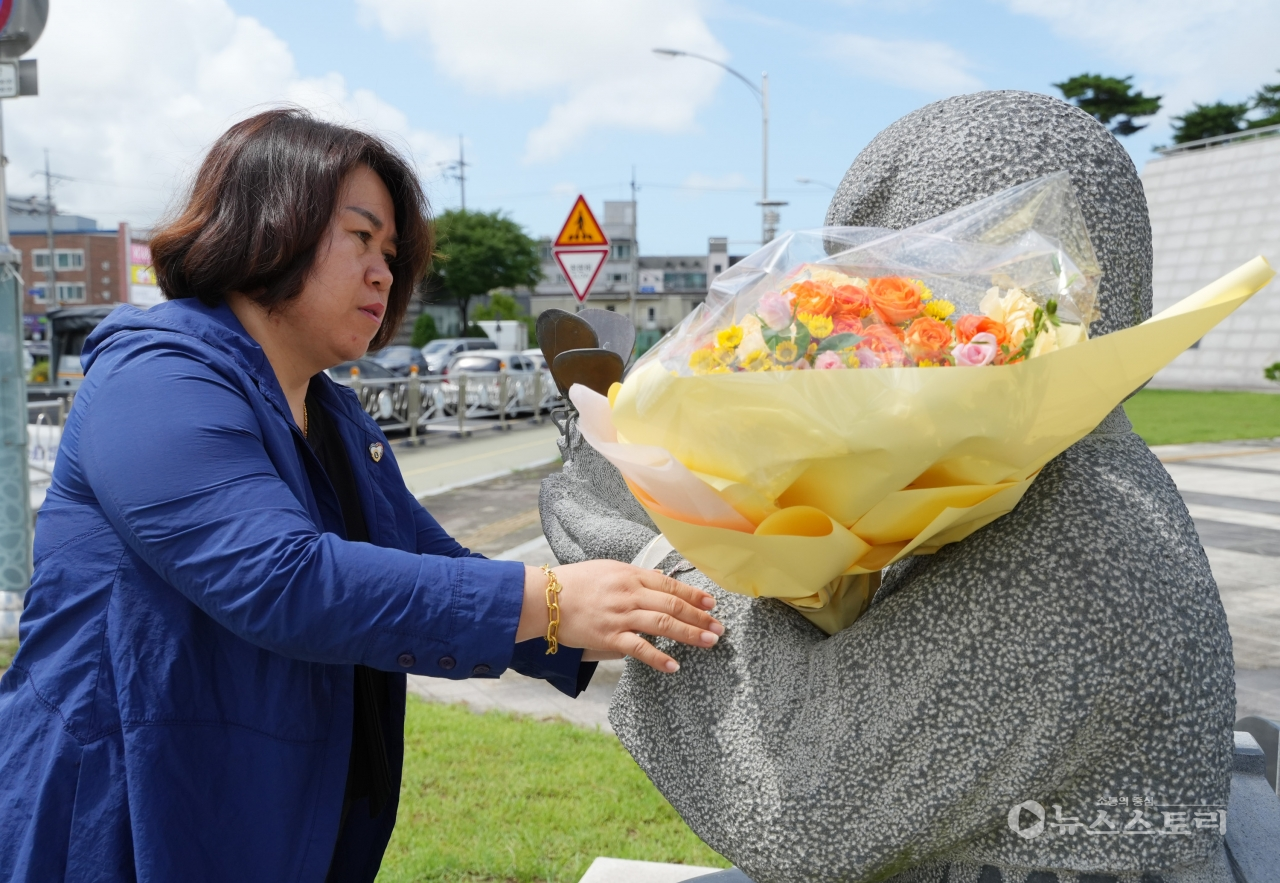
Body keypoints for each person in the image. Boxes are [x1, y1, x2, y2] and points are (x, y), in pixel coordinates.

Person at [0, 108, 724, 883]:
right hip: (116, 814)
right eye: (359, 237)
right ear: (268, 226)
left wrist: (666, 605)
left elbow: (435, 570)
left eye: (391, 251)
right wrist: (549, 598)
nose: (384, 271)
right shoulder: (155, 377)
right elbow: (283, 578)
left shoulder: (332, 416)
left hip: (262, 815)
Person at [541, 92, 1235, 882]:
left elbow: (799, 802)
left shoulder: (1080, 531)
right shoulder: (1046, 487)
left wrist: (660, 558)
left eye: (869, 264)